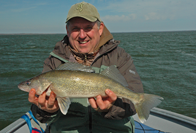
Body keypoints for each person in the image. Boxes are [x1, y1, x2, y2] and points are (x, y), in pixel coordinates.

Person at [28, 2, 143, 133]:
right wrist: (46, 110)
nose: (82, 35)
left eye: (88, 28)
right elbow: (39, 115)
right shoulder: (54, 61)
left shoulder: (120, 57)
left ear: (100, 29)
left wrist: (110, 109)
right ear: (67, 30)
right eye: (76, 28)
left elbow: (133, 102)